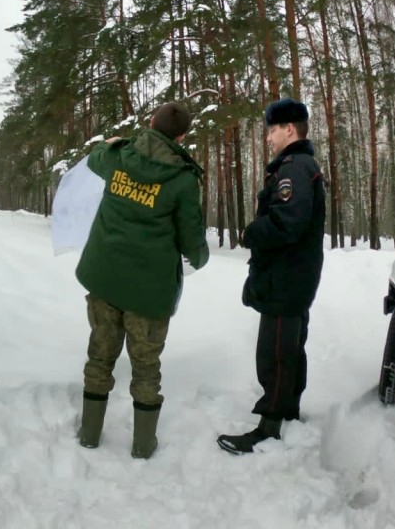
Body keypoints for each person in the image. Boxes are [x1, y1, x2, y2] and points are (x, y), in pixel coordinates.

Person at [75, 101, 210, 459]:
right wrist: (200, 257)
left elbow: (93, 159)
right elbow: (190, 236)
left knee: (99, 356)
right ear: (181, 136)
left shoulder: (120, 156)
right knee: (147, 366)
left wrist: (110, 142)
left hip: (105, 278)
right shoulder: (182, 179)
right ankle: (143, 445)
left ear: (151, 123)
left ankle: (90, 433)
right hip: (149, 292)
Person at [217, 98, 326, 455]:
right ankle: (288, 411)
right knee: (290, 348)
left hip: (286, 277)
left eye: (272, 130)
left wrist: (252, 233)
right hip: (293, 275)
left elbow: (287, 222)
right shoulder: (297, 165)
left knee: (275, 353)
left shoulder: (294, 168)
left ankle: (269, 426)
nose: (268, 138)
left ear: (289, 129)